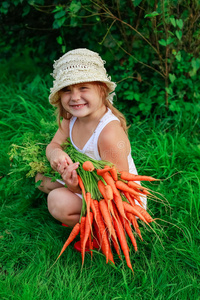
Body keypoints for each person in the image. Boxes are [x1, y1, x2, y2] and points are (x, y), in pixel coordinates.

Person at [35, 48, 147, 231]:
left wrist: (76, 189)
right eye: (67, 90)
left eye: (83, 87)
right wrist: (56, 153)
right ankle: (83, 216)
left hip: (117, 203)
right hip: (87, 183)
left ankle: (101, 232)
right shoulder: (71, 118)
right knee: (41, 180)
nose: (75, 97)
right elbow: (54, 144)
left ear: (102, 90)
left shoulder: (108, 134)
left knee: (57, 201)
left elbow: (116, 190)